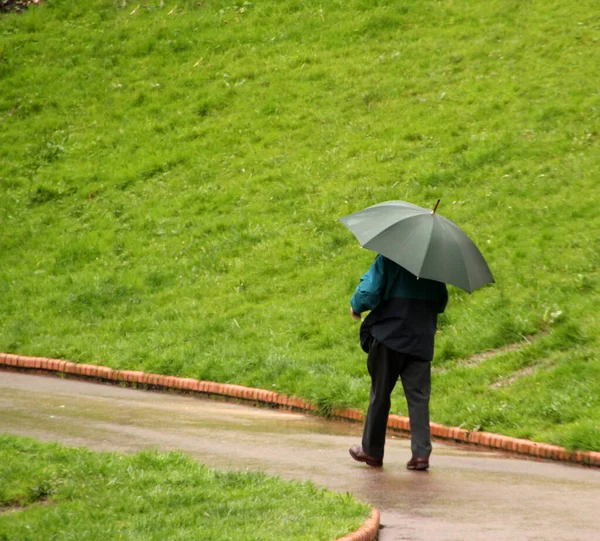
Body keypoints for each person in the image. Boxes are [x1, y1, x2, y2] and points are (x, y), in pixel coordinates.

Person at [348, 254, 448, 471]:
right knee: (419, 399)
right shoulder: (433, 266)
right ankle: (421, 455)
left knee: (380, 394)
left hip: (389, 337)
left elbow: (369, 291)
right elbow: (441, 302)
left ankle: (372, 451)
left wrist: (356, 306)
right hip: (421, 339)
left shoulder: (389, 258)